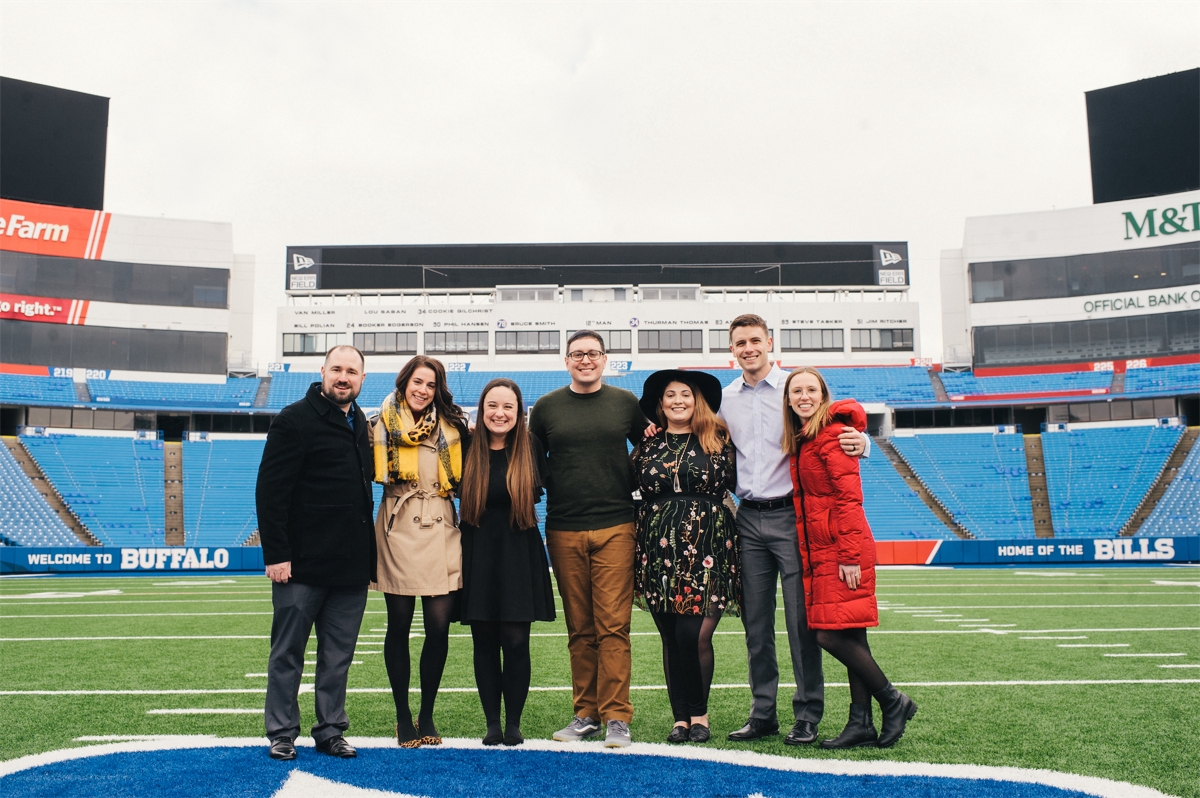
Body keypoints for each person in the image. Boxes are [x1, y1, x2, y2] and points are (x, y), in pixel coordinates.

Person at [717, 314, 869, 746]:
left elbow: (839, 422)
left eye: (754, 340)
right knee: (756, 623)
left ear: (769, 342)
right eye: (739, 342)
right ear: (732, 349)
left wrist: (865, 440)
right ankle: (762, 711)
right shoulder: (725, 400)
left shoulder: (794, 389)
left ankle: (807, 714)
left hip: (792, 517)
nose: (748, 348)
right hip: (747, 517)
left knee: (802, 622)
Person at [782, 367, 916, 748]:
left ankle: (893, 700)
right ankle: (861, 723)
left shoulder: (833, 435)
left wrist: (850, 556)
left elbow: (849, 499)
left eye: (811, 389)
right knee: (852, 634)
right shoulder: (806, 437)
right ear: (788, 399)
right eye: (796, 391)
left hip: (841, 550)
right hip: (824, 548)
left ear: (822, 395)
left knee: (827, 633)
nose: (803, 396)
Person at [529, 329, 648, 749]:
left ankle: (616, 717)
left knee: (613, 626)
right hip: (563, 527)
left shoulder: (625, 403)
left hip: (617, 524)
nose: (585, 360)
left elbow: (650, 449)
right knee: (580, 628)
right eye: (577, 354)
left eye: (592, 353)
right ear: (566, 360)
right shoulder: (545, 408)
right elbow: (530, 463)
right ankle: (586, 713)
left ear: (604, 359)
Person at [257, 345, 376, 761]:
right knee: (287, 651)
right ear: (322, 372)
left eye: (352, 372)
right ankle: (282, 732)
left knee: (338, 656)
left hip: (349, 565)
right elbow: (271, 492)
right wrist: (277, 554)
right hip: (301, 565)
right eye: (337, 369)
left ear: (363, 379)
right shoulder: (294, 419)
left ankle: (330, 729)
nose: (344, 377)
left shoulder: (360, 421)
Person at [632, 370, 739, 744]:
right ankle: (680, 719)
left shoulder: (718, 438)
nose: (678, 401)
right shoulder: (647, 445)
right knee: (670, 637)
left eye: (685, 395)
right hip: (657, 549)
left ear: (697, 401)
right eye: (670, 395)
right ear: (660, 405)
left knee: (693, 635)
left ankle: (700, 715)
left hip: (708, 547)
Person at [371, 355, 468, 748]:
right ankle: (401, 714)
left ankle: (426, 712)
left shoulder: (453, 428)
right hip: (398, 524)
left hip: (441, 523)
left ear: (437, 389)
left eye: (430, 384)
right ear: (404, 382)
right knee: (399, 625)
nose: (423, 390)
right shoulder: (379, 425)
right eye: (417, 382)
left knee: (439, 628)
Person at [458, 378, 555, 747]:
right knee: (483, 641)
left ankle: (513, 723)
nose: (500, 414)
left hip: (519, 549)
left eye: (508, 407)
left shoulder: (530, 446)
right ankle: (492, 724)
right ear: (481, 411)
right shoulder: (467, 446)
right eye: (492, 407)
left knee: (516, 642)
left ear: (519, 412)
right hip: (477, 550)